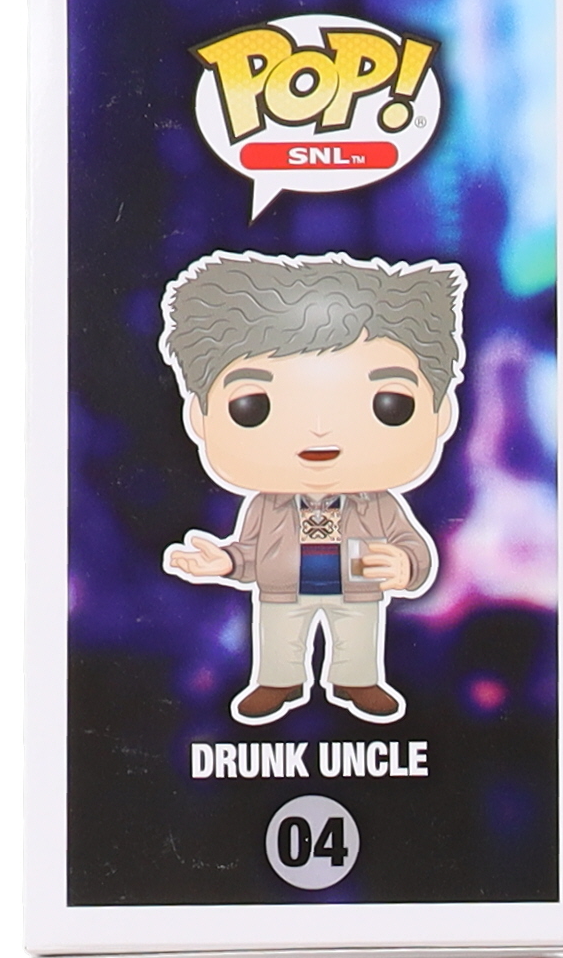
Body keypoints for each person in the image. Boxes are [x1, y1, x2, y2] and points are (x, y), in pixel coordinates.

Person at [159, 251, 466, 725]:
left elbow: (412, 548)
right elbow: (251, 551)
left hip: (356, 587)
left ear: (440, 414)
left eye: (389, 405)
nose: (320, 431)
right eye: (252, 407)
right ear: (199, 418)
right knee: (280, 637)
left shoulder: (379, 504)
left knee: (356, 637)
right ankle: (277, 681)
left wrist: (406, 566)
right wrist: (227, 562)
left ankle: (358, 680)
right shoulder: (265, 505)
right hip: (283, 590)